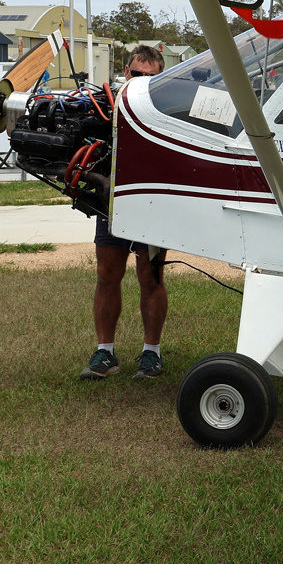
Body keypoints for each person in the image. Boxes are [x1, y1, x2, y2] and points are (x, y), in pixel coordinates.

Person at [81, 45, 169, 380]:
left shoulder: (170, 109)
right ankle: (105, 352)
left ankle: (151, 353)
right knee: (106, 274)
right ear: (126, 72)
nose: (141, 80)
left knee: (151, 278)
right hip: (113, 201)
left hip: (153, 202)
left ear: (160, 77)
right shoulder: (108, 105)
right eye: (136, 74)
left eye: (150, 76)